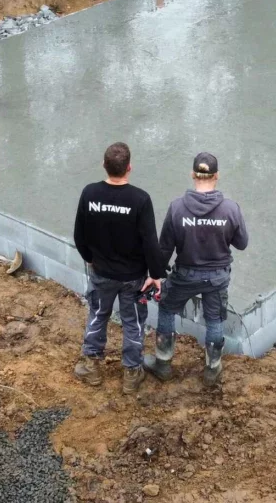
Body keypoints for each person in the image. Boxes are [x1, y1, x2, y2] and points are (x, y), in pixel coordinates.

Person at [145, 152, 248, 387]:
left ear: (193, 175)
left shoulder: (177, 208)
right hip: (217, 277)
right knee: (214, 319)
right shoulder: (231, 209)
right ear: (217, 176)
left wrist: (155, 275)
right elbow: (242, 244)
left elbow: (164, 249)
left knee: (167, 309)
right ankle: (212, 369)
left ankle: (163, 363)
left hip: (185, 276)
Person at [72, 141, 164, 393]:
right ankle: (132, 375)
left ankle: (91, 366)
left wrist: (89, 257)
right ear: (129, 168)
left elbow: (79, 234)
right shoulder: (140, 199)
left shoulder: (89, 194)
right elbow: (150, 242)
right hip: (134, 277)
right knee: (133, 322)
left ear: (104, 166)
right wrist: (155, 274)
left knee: (98, 314)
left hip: (101, 273)